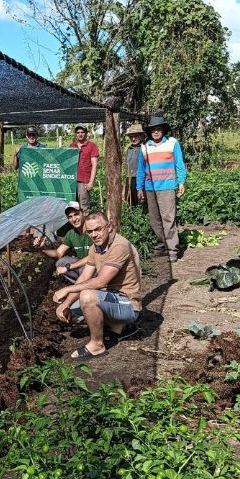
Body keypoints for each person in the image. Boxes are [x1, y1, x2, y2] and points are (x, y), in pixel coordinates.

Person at [52, 211, 141, 360]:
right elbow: (84, 276)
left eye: (98, 229)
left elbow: (100, 282)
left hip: (128, 304)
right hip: (110, 298)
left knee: (87, 296)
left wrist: (67, 289)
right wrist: (66, 303)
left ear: (109, 227)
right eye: (90, 231)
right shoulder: (96, 248)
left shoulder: (120, 245)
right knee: (71, 313)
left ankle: (97, 345)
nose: (94, 235)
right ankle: (117, 327)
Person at [137, 116, 187, 262]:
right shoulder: (145, 146)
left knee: (168, 217)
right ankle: (163, 244)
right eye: (153, 129)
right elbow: (141, 169)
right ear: (150, 132)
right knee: (154, 220)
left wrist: (181, 182)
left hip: (167, 186)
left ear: (163, 130)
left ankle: (172, 249)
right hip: (150, 187)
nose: (156, 132)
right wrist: (139, 188)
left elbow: (179, 163)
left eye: (158, 129)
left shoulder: (172, 143)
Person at [34, 201, 91, 283]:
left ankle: (85, 286)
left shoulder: (92, 230)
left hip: (96, 265)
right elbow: (58, 253)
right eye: (70, 217)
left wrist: (69, 267)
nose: (74, 219)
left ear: (82, 212)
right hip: (83, 265)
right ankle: (81, 283)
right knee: (60, 263)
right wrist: (43, 247)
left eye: (76, 214)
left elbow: (94, 256)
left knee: (83, 270)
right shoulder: (72, 234)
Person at [69, 125, 99, 213]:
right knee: (72, 204)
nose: (80, 134)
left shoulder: (92, 146)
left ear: (86, 133)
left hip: (84, 181)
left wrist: (91, 182)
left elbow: (94, 165)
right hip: (72, 180)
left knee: (84, 205)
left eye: (82, 132)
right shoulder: (72, 146)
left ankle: (86, 225)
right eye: (78, 132)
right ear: (76, 134)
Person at [123, 123, 145, 207]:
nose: (133, 138)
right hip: (129, 178)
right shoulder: (129, 149)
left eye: (136, 136)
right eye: (131, 136)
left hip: (139, 178)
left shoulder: (144, 148)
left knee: (140, 200)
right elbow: (127, 166)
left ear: (141, 136)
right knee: (129, 202)